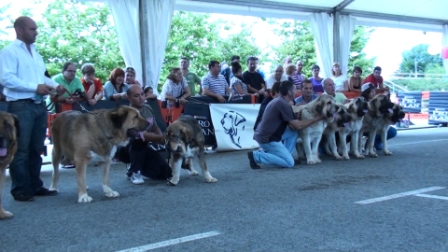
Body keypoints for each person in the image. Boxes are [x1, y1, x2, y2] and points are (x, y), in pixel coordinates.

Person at [0, 16, 66, 201]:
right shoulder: (9, 52)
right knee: (20, 149)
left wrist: (54, 85)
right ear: (19, 30)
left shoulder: (36, 53)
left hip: (38, 105)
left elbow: (42, 77)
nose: (36, 32)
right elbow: (6, 79)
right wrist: (34, 87)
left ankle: (35, 185)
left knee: (37, 147)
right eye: (32, 29)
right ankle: (20, 189)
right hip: (20, 105)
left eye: (35, 29)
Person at [248, 80, 322, 169]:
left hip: (265, 135)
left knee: (293, 132)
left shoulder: (280, 101)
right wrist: (316, 119)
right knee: (289, 163)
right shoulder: (282, 104)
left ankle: (285, 155)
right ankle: (257, 156)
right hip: (267, 139)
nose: (296, 92)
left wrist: (297, 115)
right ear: (289, 92)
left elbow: (292, 122)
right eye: (295, 90)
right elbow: (298, 126)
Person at [124, 85, 172, 184]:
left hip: (144, 148)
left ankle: (139, 170)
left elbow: (155, 127)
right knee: (138, 141)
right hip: (127, 150)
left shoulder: (148, 107)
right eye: (136, 96)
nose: (141, 98)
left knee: (166, 173)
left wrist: (162, 140)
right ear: (128, 98)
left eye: (142, 94)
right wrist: (162, 139)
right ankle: (134, 171)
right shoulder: (127, 113)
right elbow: (139, 135)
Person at [361, 83, 397, 150]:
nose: (373, 93)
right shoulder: (361, 102)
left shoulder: (379, 100)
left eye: (374, 91)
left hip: (376, 125)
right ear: (366, 92)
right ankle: (359, 147)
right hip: (364, 126)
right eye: (371, 91)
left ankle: (374, 144)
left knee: (392, 131)